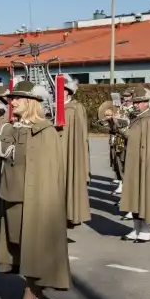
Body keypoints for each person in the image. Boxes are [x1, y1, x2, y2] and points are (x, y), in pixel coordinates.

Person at [0, 80, 69, 299]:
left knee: (32, 249)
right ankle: (38, 294)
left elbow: (51, 171)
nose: (13, 102)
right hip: (10, 196)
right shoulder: (11, 128)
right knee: (19, 248)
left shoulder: (45, 130)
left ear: (32, 102)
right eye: (12, 98)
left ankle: (30, 297)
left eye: (18, 98)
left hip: (33, 200)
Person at [119, 87, 150, 242]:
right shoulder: (139, 117)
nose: (137, 105)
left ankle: (146, 230)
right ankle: (137, 228)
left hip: (145, 162)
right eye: (136, 102)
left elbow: (133, 136)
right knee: (134, 194)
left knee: (145, 195)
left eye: (140, 102)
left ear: (147, 103)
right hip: (136, 160)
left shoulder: (149, 118)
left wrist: (119, 127)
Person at [55, 74, 91, 227]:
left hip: (71, 149)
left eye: (63, 90)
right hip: (57, 149)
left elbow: (81, 132)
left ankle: (73, 214)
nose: (60, 93)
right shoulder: (55, 107)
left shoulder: (76, 107)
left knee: (71, 181)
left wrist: (79, 150)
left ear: (68, 92)